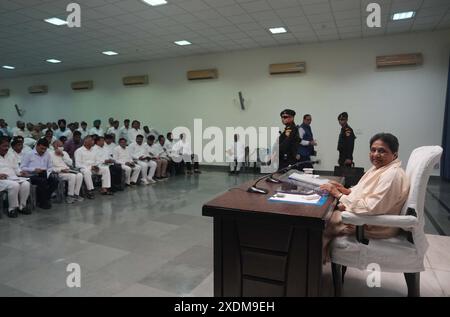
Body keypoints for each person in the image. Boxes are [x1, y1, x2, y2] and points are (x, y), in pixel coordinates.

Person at [319, 133, 410, 262]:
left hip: (373, 225)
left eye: (382, 151)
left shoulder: (392, 174)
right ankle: (320, 258)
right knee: (326, 213)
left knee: (321, 222)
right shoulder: (380, 168)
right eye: (373, 150)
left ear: (394, 154)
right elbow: (363, 190)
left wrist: (338, 195)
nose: (376, 154)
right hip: (367, 217)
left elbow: (370, 207)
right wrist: (346, 190)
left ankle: (311, 268)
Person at [20, 138, 58, 210]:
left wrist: (48, 172)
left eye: (45, 149)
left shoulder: (47, 154)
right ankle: (43, 202)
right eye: (41, 148)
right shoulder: (29, 154)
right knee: (42, 181)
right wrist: (34, 170)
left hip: (44, 173)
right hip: (31, 175)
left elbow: (50, 167)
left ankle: (43, 198)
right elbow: (22, 167)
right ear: (37, 146)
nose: (43, 151)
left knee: (55, 181)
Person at [0, 136, 31, 217]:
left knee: (26, 184)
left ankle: (22, 206)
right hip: (1, 180)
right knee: (14, 185)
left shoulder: (10, 155)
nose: (6, 148)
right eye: (4, 146)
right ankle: (12, 209)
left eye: (7, 146)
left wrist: (21, 173)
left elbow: (16, 168)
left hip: (12, 178)